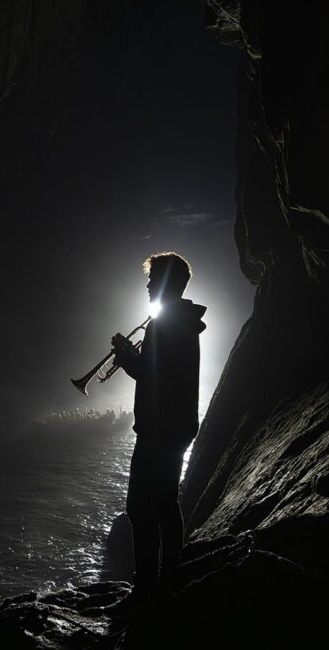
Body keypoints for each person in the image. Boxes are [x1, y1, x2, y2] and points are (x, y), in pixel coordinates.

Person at [105, 251, 206, 618]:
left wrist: (125, 354)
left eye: (152, 279)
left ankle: (146, 589)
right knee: (165, 504)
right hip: (176, 427)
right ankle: (168, 580)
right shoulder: (180, 320)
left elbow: (152, 374)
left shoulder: (165, 324)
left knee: (140, 508)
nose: (147, 285)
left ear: (164, 283)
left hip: (159, 430)